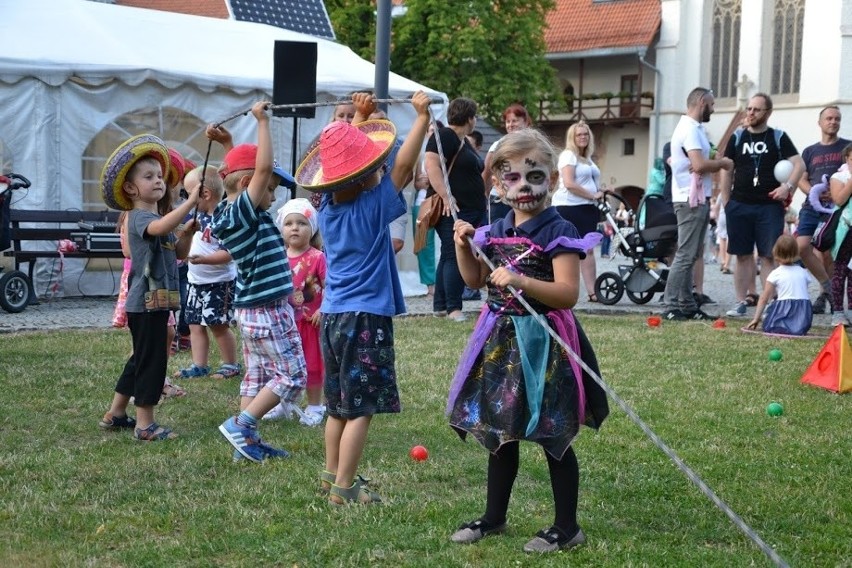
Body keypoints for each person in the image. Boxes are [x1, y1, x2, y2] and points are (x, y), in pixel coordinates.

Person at [447, 129, 608, 553]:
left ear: (553, 179)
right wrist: (464, 246)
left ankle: (567, 526)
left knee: (553, 433)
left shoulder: (559, 229)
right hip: (500, 342)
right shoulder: (494, 230)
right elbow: (474, 279)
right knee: (502, 430)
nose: (523, 187)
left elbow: (567, 294)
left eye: (533, 177)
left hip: (545, 343)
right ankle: (494, 516)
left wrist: (520, 279)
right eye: (512, 178)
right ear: (499, 184)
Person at [294, 90, 432, 504]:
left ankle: (331, 476)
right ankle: (345, 488)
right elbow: (405, 165)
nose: (379, 169)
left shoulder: (330, 211)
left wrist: (359, 118)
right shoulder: (374, 205)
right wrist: (421, 118)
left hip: (334, 317)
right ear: (365, 175)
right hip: (365, 320)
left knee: (337, 407)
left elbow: (344, 165)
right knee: (361, 409)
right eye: (372, 166)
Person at [213, 101, 308, 463]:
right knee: (292, 375)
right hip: (267, 312)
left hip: (251, 311)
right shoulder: (243, 213)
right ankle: (243, 424)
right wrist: (262, 121)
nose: (272, 196)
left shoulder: (231, 212)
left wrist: (228, 145)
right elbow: (260, 167)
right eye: (269, 189)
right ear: (249, 185)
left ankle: (244, 442)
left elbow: (238, 172)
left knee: (254, 377)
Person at [97, 134, 199, 441]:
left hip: (157, 302)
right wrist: (190, 202)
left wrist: (188, 233)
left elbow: (179, 253)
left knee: (140, 357)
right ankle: (145, 425)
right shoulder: (140, 216)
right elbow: (159, 229)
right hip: (145, 303)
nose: (158, 181)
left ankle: (115, 414)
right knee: (153, 361)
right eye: (149, 177)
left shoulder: (157, 216)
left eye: (160, 177)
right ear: (130, 188)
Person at [720, 93, 804, 318]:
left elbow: (799, 164)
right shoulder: (737, 137)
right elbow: (727, 170)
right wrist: (726, 201)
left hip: (768, 206)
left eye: (757, 109)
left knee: (768, 256)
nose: (751, 113)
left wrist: (788, 187)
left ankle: (768, 304)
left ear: (768, 112)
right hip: (740, 204)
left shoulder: (778, 136)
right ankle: (740, 302)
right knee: (742, 255)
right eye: (749, 108)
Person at [661, 87, 732, 321]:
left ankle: (687, 304)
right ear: (702, 102)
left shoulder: (695, 129)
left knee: (692, 253)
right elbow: (699, 165)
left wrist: (706, 161)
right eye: (711, 104)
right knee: (685, 253)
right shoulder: (689, 130)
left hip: (696, 197)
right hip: (688, 198)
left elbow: (699, 163)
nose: (713, 108)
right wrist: (722, 163)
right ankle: (671, 304)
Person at [173, 166, 241, 380]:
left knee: (218, 325)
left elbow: (228, 253)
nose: (186, 198)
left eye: (188, 193)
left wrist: (204, 260)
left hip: (219, 282)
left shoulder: (223, 218)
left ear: (204, 194)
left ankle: (230, 364)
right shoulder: (198, 215)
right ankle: (199, 365)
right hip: (195, 281)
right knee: (194, 324)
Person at [264, 198, 328, 426]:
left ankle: (315, 405)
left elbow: (331, 286)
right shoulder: (279, 257)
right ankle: (283, 404)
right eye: (289, 223)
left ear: (312, 228)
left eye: (301, 223)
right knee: (282, 366)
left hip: (310, 323)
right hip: (284, 324)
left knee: (312, 365)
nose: (294, 227)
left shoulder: (318, 257)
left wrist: (323, 307)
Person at [425, 97, 487, 322]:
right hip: (454, 210)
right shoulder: (446, 136)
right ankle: (454, 308)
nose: (476, 120)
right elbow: (431, 163)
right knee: (453, 254)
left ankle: (440, 305)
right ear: (469, 118)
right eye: (475, 116)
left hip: (470, 208)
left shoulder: (463, 140)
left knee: (448, 256)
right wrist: (446, 196)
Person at [797, 106, 849, 314]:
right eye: (829, 118)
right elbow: (801, 179)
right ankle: (828, 288)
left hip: (836, 208)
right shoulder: (810, 151)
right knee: (801, 247)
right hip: (811, 206)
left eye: (837, 119)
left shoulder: (847, 147)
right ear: (820, 122)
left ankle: (823, 296)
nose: (833, 122)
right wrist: (814, 193)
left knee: (827, 252)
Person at [552, 121, 604, 302]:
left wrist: (601, 192)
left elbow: (591, 183)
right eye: (579, 135)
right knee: (569, 249)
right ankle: (560, 287)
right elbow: (569, 183)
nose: (583, 137)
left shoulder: (587, 159)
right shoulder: (568, 155)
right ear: (572, 138)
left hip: (587, 207)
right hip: (569, 207)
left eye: (586, 134)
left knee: (589, 250)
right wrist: (592, 195)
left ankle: (593, 291)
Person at [747, 234, 813, 336]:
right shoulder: (803, 272)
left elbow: (764, 298)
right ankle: (797, 327)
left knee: (770, 326)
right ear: (796, 252)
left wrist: (756, 318)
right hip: (803, 312)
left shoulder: (775, 274)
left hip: (784, 307)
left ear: (775, 252)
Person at [483, 104, 533, 223]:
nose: (510, 125)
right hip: (501, 200)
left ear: (525, 122)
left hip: (525, 197)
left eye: (515, 121)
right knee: (500, 237)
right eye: (508, 121)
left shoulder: (533, 145)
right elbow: (487, 173)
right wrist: (486, 196)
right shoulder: (498, 145)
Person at [411, 121, 441, 296]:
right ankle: (430, 285)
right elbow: (416, 183)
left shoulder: (446, 154)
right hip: (423, 203)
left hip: (441, 201)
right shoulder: (421, 156)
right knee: (423, 244)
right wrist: (422, 182)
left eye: (435, 131)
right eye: (429, 131)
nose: (432, 134)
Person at [828, 144, 852, 326]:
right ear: (847, 159)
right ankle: (838, 311)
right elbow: (839, 199)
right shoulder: (839, 177)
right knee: (840, 270)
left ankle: (851, 309)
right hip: (845, 230)